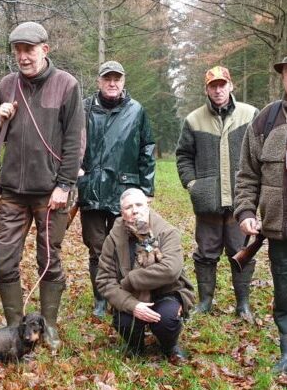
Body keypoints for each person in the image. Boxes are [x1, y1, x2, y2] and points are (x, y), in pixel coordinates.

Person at [0, 22, 84, 351]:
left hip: (51, 192)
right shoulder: (6, 85)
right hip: (13, 192)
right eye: (17, 50)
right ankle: (16, 327)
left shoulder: (67, 85)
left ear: (45, 49)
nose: (22, 56)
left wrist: (65, 185)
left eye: (28, 49)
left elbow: (75, 141)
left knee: (49, 261)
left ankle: (49, 326)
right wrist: (0, 118)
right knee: (3, 262)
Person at [234, 43, 287, 374]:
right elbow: (246, 175)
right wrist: (246, 213)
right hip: (280, 230)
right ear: (283, 77)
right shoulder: (265, 119)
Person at [176, 66, 258, 321]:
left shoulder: (251, 114)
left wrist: (258, 188)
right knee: (205, 254)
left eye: (223, 84)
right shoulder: (194, 119)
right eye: (213, 85)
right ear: (207, 89)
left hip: (240, 202)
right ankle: (205, 301)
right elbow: (183, 156)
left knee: (242, 252)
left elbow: (260, 153)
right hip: (207, 202)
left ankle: (243, 304)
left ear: (231, 86)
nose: (218, 89)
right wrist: (192, 184)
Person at [77, 60, 155, 318]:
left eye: (117, 78)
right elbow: (69, 141)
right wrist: (75, 171)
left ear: (124, 81)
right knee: (96, 248)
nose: (112, 83)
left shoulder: (137, 110)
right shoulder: (84, 108)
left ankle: (127, 293)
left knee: (127, 245)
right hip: (92, 189)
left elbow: (147, 149)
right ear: (99, 81)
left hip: (126, 190)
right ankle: (101, 297)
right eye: (107, 78)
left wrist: (146, 189)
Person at [96, 188, 194, 362]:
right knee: (125, 323)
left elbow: (171, 269)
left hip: (166, 293)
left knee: (166, 320)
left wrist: (131, 280)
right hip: (131, 296)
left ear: (147, 206)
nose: (135, 210)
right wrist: (132, 305)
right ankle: (135, 345)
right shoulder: (113, 238)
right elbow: (104, 280)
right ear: (122, 212)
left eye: (139, 205)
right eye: (128, 207)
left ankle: (169, 346)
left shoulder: (167, 232)